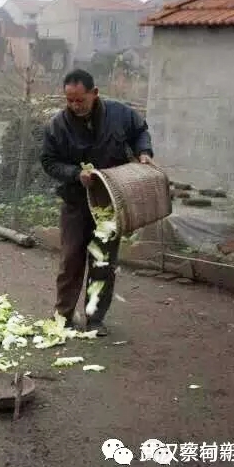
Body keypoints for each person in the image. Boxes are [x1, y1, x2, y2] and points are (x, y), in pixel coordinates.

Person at [40, 69, 154, 336]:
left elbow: (141, 131)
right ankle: (63, 316)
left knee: (103, 262)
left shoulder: (120, 114)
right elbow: (48, 162)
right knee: (70, 260)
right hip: (76, 202)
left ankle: (95, 318)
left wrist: (144, 153)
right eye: (69, 100)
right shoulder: (57, 125)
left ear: (95, 93)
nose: (75, 106)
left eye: (80, 100)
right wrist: (75, 174)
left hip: (110, 202)